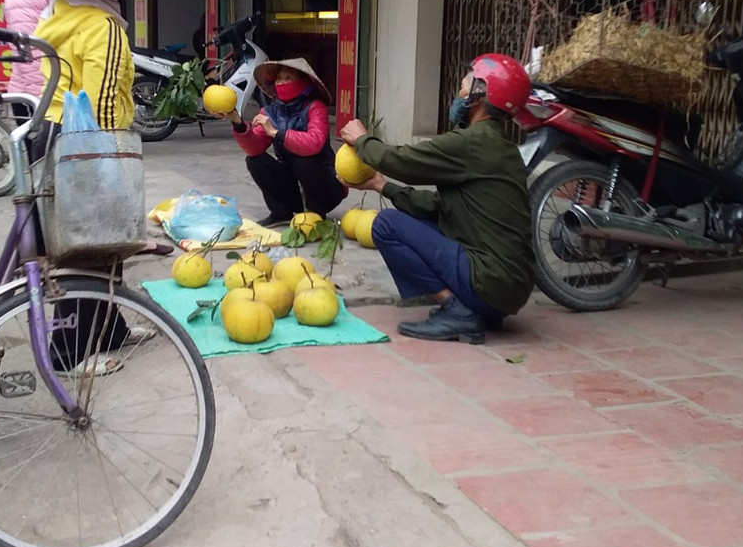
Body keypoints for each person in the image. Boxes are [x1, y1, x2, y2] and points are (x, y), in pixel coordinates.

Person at [27, 0, 168, 378]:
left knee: (102, 243)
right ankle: (70, 352)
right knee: (88, 249)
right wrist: (108, 167)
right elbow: (104, 99)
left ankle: (111, 331)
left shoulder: (61, 12)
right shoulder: (103, 26)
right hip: (85, 144)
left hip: (52, 137)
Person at [338, 53, 535, 345]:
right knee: (417, 221)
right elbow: (439, 208)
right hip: (507, 286)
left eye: (465, 85)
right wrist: (381, 185)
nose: (459, 93)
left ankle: (459, 312)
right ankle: (475, 308)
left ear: (480, 96)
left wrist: (363, 140)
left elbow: (402, 160)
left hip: (491, 280)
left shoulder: (471, 143)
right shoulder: (497, 146)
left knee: (386, 225)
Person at [212, 58, 346, 227]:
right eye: (279, 78)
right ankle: (281, 211)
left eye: (288, 78)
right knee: (255, 160)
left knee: (304, 159)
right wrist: (237, 122)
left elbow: (315, 143)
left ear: (304, 83)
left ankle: (315, 213)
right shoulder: (270, 112)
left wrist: (276, 133)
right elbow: (255, 148)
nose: (282, 82)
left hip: (325, 187)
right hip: (292, 186)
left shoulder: (315, 107)